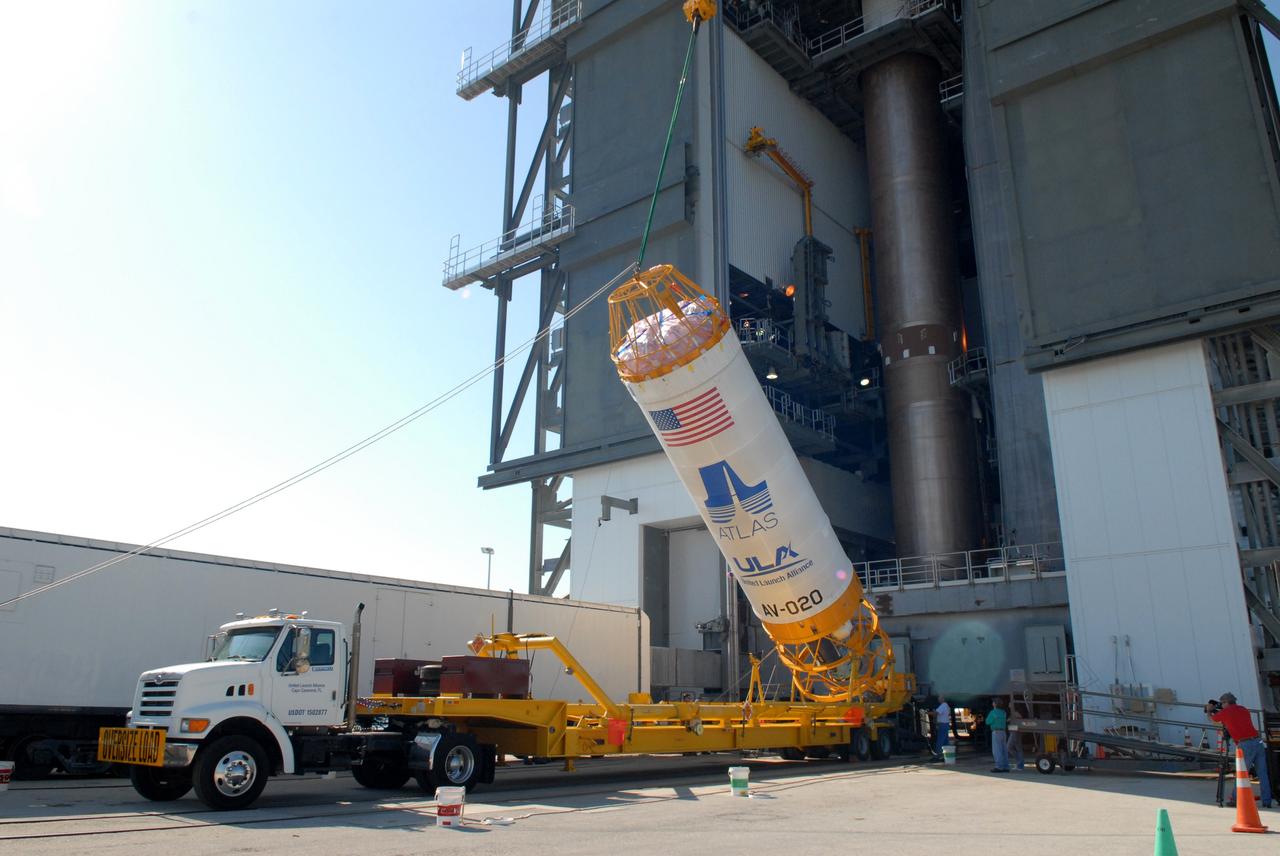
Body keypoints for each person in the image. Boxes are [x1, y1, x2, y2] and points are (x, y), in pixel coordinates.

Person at [1207, 692, 1272, 808]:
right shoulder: (1243, 709)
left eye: (1222, 703)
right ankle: (1267, 801)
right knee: (1263, 774)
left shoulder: (1225, 712)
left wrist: (1209, 710)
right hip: (1258, 742)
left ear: (1226, 702)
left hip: (1245, 744)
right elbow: (1237, 721)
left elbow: (1213, 720)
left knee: (1242, 774)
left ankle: (1236, 799)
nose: (1221, 705)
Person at [986, 698, 1009, 772]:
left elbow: (987, 722)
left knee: (997, 750)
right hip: (1003, 732)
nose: (992, 703)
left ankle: (999, 767)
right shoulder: (1003, 712)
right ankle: (1006, 766)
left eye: (993, 702)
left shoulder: (993, 712)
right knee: (1004, 750)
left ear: (995, 704)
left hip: (996, 732)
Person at [1006, 700, 1026, 771]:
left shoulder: (1015, 713)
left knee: (1008, 747)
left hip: (1015, 732)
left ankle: (1020, 762)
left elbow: (1020, 720)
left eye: (1010, 703)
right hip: (1014, 731)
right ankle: (1020, 765)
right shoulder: (1013, 712)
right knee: (1018, 748)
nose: (1008, 704)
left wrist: (1011, 719)